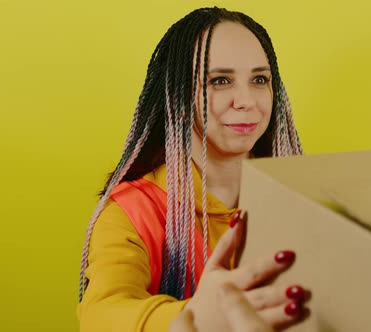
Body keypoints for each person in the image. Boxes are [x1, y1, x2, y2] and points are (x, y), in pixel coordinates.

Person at [77, 7, 308, 331]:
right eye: (220, 80)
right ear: (177, 96)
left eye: (259, 79)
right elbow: (101, 313)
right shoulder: (133, 211)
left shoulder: (306, 196)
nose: (246, 100)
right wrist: (194, 319)